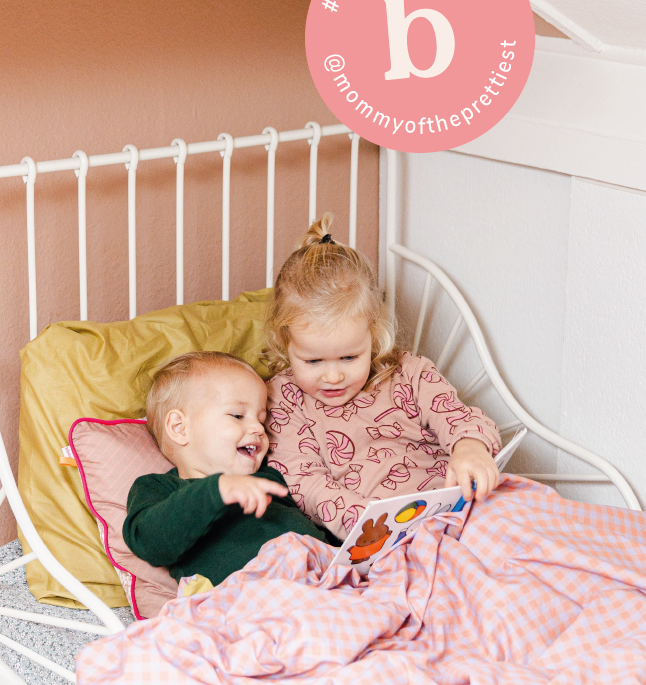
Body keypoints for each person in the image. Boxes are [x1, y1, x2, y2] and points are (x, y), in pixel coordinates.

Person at [265, 214, 501, 541]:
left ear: (374, 334)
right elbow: (306, 484)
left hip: (461, 504)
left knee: (526, 517)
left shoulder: (409, 373)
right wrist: (373, 525)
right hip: (381, 533)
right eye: (313, 361)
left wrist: (469, 447)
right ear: (284, 342)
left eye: (349, 357)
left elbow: (456, 416)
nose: (333, 376)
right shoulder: (283, 400)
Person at [124, 350, 339, 589]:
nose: (258, 429)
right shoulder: (160, 488)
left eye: (261, 420)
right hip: (250, 597)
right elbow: (149, 542)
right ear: (179, 428)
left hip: (325, 580)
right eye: (237, 415)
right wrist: (216, 490)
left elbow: (308, 529)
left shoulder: (268, 477)